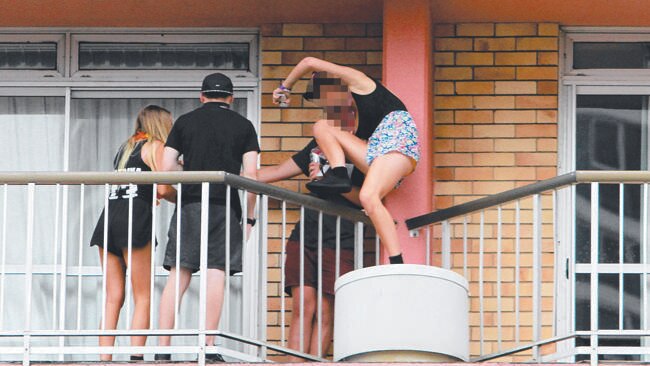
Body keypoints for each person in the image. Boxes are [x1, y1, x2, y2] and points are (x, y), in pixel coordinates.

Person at [272, 57, 421, 264]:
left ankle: (397, 262)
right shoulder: (350, 125)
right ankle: (338, 174)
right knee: (322, 126)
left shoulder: (360, 82)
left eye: (330, 95)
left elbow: (307, 62)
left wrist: (285, 87)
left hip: (398, 146)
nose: (331, 104)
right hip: (377, 156)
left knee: (369, 196)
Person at [156, 73, 259, 362]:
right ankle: (210, 346)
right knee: (216, 273)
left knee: (179, 273)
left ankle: (163, 348)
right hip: (225, 206)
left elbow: (165, 169)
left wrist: (184, 170)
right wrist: (249, 218)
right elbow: (251, 175)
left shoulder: (185, 122)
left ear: (202, 96)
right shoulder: (244, 125)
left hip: (190, 203)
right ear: (231, 98)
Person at [258, 139, 363, 359]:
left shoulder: (360, 148)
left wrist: (329, 177)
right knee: (303, 306)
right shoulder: (318, 145)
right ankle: (293, 362)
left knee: (325, 311)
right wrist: (223, 172)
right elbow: (277, 171)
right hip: (306, 231)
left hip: (341, 237)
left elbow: (364, 197)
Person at [89, 105, 175, 361]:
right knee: (143, 295)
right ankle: (136, 356)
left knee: (113, 296)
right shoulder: (156, 146)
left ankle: (104, 358)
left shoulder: (125, 149)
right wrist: (183, 198)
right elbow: (162, 189)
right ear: (161, 124)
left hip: (108, 219)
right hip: (135, 219)